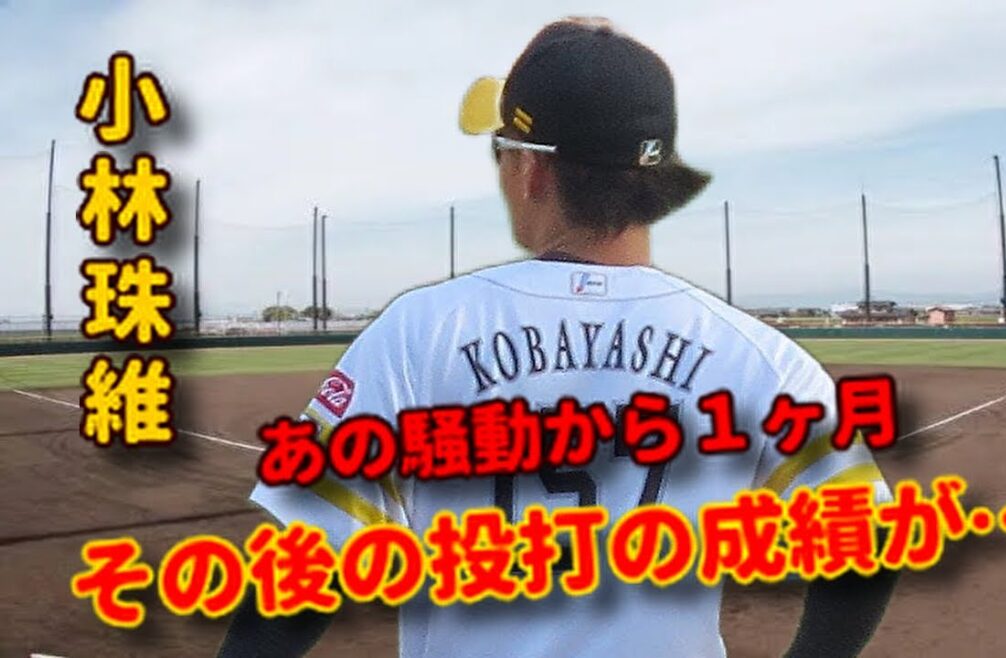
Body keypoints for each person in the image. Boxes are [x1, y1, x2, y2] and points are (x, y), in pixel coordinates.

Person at [218, 16, 898, 658]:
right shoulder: (758, 358)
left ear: (534, 171)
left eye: (502, 153)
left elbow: (305, 563)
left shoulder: (422, 333)